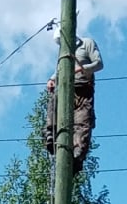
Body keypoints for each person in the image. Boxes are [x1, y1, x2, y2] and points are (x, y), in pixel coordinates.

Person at [43, 35, 103, 166]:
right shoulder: (63, 52)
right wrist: (52, 80)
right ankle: (50, 134)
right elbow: (59, 70)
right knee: (53, 103)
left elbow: (99, 64)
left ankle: (76, 160)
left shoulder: (87, 43)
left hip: (83, 91)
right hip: (66, 90)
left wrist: (82, 68)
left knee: (82, 124)